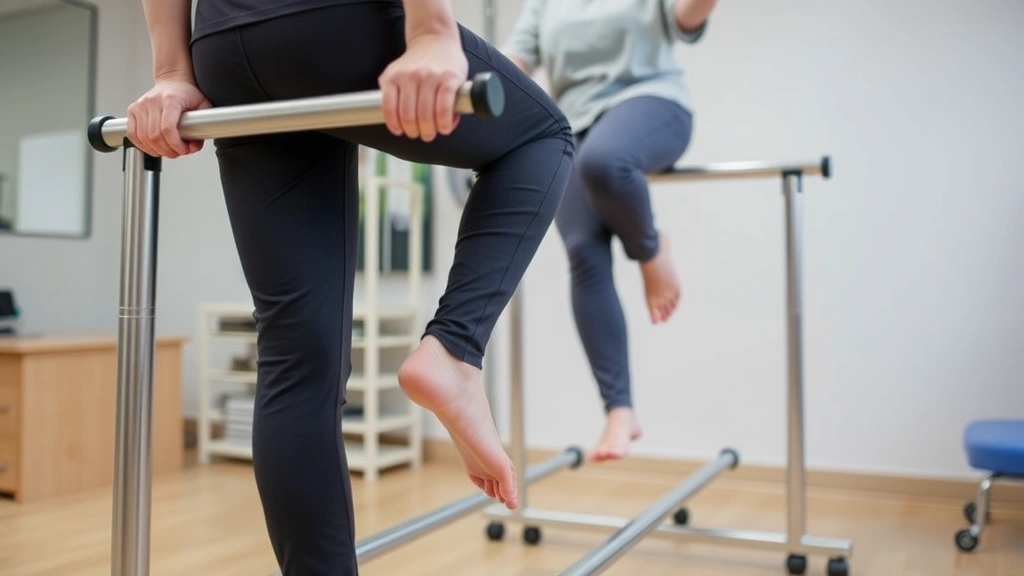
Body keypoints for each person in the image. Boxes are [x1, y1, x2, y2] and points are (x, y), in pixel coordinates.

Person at [125, 0, 575, 574]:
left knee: (295, 357)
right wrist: (431, 31)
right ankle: (455, 350)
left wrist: (171, 72)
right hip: (337, 20)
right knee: (543, 136)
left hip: (226, 52)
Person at [503, 0, 718, 462]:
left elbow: (686, 16)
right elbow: (514, 62)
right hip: (571, 125)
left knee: (605, 161)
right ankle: (620, 409)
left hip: (651, 104)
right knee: (583, 252)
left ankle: (650, 249)